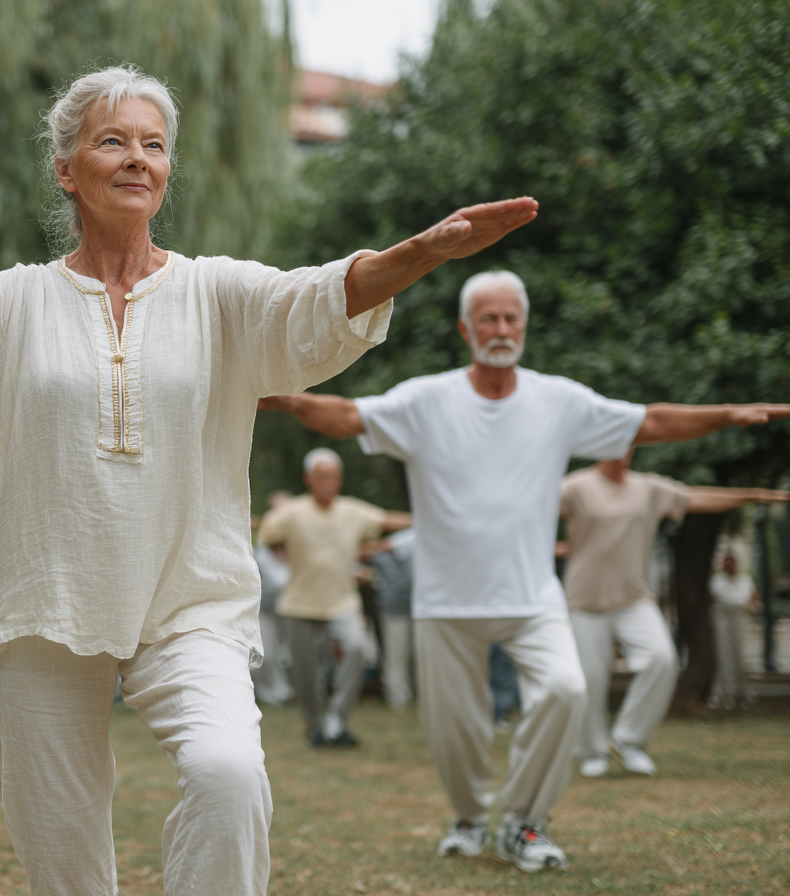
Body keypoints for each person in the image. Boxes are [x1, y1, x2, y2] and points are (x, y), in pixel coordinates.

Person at [0, 61, 537, 894]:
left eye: (154, 144)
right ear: (66, 169)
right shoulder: (12, 302)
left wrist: (422, 253)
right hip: (47, 598)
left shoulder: (217, 295)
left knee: (230, 773)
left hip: (190, 596)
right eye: (113, 141)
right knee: (61, 845)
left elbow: (314, 302)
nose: (138, 157)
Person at [260, 268, 790, 872]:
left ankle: (523, 823)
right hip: (447, 602)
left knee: (567, 689)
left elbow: (650, 422)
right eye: (489, 318)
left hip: (533, 598)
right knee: (455, 735)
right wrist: (286, 397)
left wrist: (726, 414)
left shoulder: (558, 400)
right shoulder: (427, 399)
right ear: (466, 328)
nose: (502, 328)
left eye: (512, 318)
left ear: (525, 327)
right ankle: (468, 819)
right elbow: (347, 417)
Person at [561, 452, 787, 775]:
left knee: (662, 659)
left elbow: (697, 497)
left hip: (634, 599)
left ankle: (629, 740)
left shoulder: (648, 488)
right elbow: (533, 503)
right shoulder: (576, 486)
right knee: (589, 678)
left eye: (629, 445)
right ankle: (592, 752)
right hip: (584, 601)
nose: (623, 452)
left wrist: (755, 495)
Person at [260, 448, 411, 747]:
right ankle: (316, 727)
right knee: (305, 673)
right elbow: (266, 533)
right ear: (309, 479)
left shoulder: (352, 511)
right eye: (322, 477)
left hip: (343, 603)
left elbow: (386, 520)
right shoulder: (292, 513)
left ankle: (337, 722)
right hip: (299, 604)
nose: (328, 482)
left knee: (355, 648)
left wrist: (432, 516)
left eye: (333, 477)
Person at [250, 490, 294, 707]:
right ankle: (271, 692)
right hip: (265, 609)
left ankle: (289, 690)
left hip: (296, 610)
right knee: (265, 651)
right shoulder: (260, 549)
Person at [370, 527, 416, 710]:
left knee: (416, 656)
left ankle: (416, 696)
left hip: (419, 609)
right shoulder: (399, 542)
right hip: (394, 610)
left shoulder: (417, 537)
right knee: (396, 657)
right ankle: (398, 699)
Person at [708, 553, 759, 709]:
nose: (729, 565)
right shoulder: (716, 581)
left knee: (741, 658)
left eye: (732, 562)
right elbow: (725, 599)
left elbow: (752, 602)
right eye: (726, 562)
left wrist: (747, 604)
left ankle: (745, 693)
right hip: (722, 622)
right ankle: (723, 694)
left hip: (741, 623)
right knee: (723, 658)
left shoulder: (745, 580)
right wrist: (743, 603)